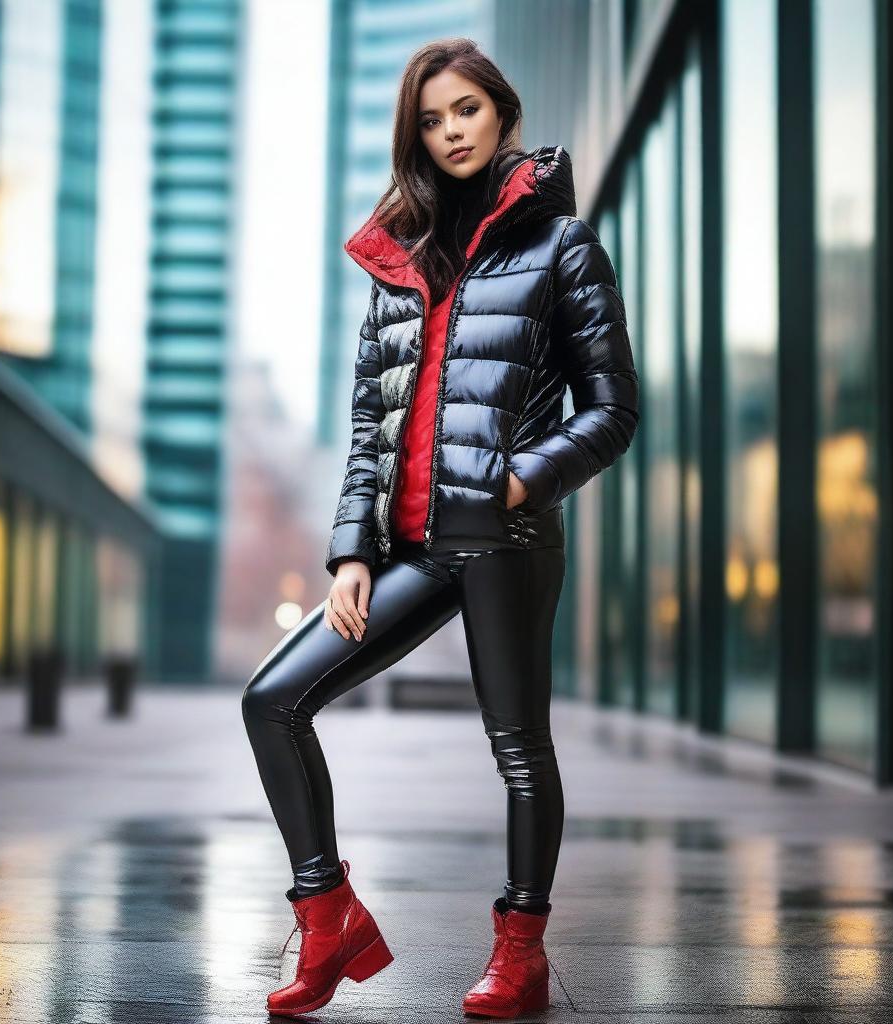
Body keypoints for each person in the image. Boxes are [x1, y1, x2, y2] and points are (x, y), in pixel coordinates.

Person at [241, 37, 639, 1019]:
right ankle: (328, 916)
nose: (450, 130)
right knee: (272, 700)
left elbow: (613, 409)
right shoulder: (399, 258)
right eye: (430, 118)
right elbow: (369, 430)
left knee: (517, 747)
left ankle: (521, 951)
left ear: (500, 113)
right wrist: (349, 552)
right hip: (413, 548)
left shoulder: (562, 246)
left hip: (504, 539)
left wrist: (520, 481)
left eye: (465, 109)